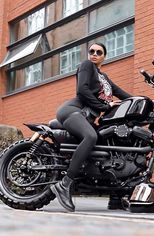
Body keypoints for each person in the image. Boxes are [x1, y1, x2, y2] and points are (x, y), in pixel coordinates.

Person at [50, 43, 132, 212]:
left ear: (104, 56)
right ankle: (65, 184)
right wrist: (105, 106)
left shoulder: (105, 78)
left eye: (98, 52)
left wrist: (147, 101)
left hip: (87, 118)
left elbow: (124, 95)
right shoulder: (87, 66)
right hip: (73, 111)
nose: (94, 54)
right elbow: (82, 90)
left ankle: (115, 197)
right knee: (91, 137)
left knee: (109, 148)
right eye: (91, 51)